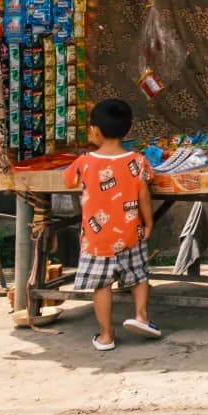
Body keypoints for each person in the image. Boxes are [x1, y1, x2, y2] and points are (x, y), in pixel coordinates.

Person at [62, 98, 163, 350]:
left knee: (101, 286)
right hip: (131, 231)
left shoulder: (84, 162)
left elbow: (68, 181)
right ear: (128, 129)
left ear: (95, 130)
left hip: (96, 238)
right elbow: (144, 196)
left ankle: (106, 336)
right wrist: (148, 224)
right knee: (139, 276)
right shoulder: (138, 160)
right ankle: (141, 316)